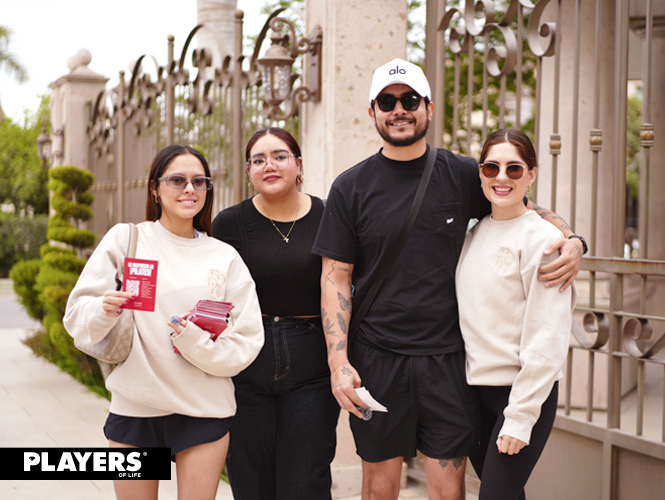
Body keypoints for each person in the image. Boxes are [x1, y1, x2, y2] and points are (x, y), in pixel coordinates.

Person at [311, 58, 586, 500]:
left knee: (447, 490)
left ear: (429, 107)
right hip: (378, 362)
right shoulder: (350, 187)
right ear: (372, 112)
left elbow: (521, 206)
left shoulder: (462, 174)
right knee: (379, 489)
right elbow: (335, 277)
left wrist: (573, 240)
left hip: (449, 364)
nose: (399, 109)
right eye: (387, 101)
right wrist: (338, 363)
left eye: (409, 100)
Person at [64, 144, 264, 500]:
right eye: (177, 180)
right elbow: (77, 318)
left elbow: (247, 341)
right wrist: (104, 310)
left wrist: (193, 343)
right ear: (155, 188)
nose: (189, 189)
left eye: (199, 181)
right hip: (135, 407)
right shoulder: (127, 239)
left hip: (204, 408)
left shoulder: (224, 256)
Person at [212, 127, 339, 500]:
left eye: (280, 156)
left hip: (312, 361)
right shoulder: (228, 224)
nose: (269, 165)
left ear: (299, 165)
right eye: (258, 159)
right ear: (248, 170)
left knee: (305, 481)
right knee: (250, 481)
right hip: (246, 358)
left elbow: (345, 283)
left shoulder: (329, 215)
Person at [456, 129, 577, 500]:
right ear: (480, 173)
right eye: (492, 167)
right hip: (474, 394)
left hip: (520, 393)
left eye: (514, 168)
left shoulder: (544, 241)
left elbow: (548, 335)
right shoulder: (472, 234)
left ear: (532, 174)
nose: (502, 177)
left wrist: (521, 416)